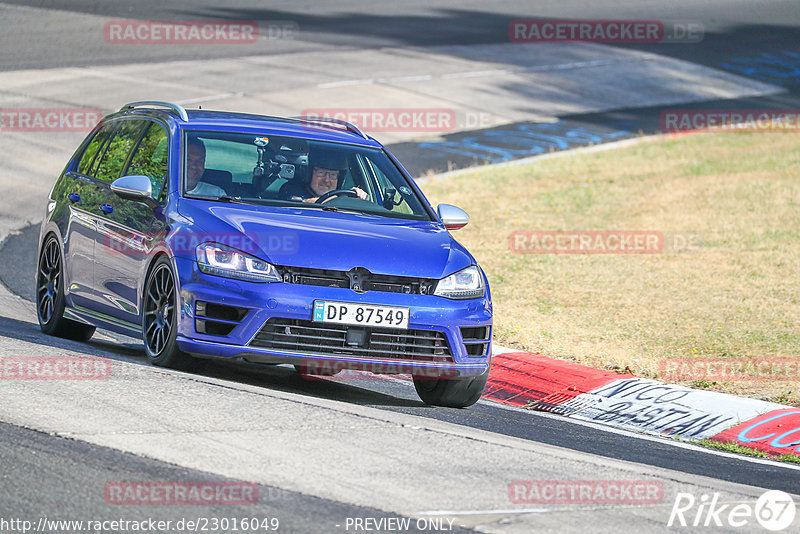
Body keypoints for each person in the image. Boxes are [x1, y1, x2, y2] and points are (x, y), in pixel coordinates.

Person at [280, 150, 368, 203]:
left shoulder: (345, 196)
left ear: (339, 179)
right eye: (321, 173)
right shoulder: (290, 190)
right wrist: (342, 200)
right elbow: (297, 206)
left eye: (333, 175)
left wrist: (359, 198)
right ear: (310, 174)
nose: (326, 180)